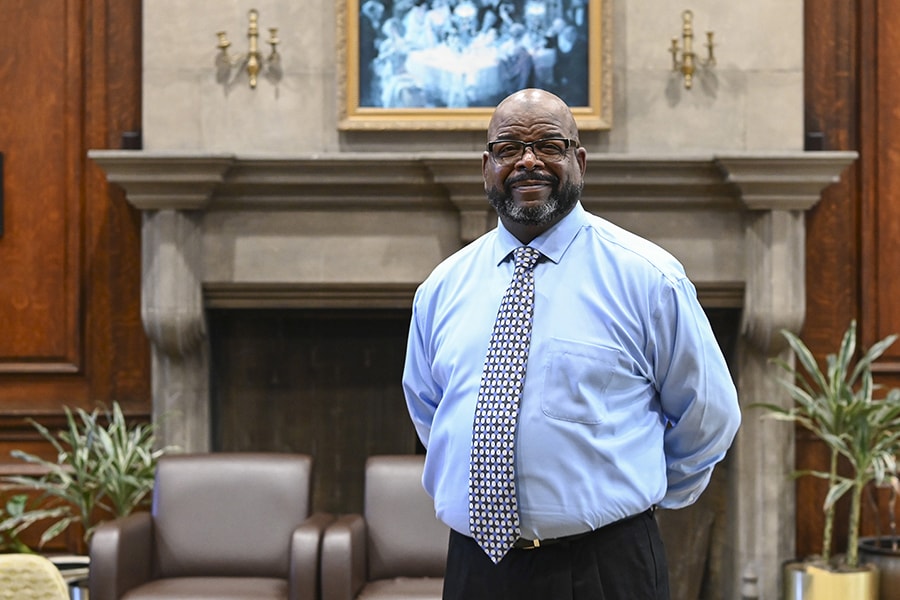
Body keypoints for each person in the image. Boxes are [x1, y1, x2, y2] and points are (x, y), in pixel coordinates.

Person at [402, 88, 741, 599]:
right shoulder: (442, 288)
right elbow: (432, 413)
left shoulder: (648, 279)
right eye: (509, 147)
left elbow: (709, 415)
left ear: (578, 160)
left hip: (605, 567)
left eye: (549, 145)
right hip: (477, 568)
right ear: (487, 165)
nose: (528, 161)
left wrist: (637, 494)